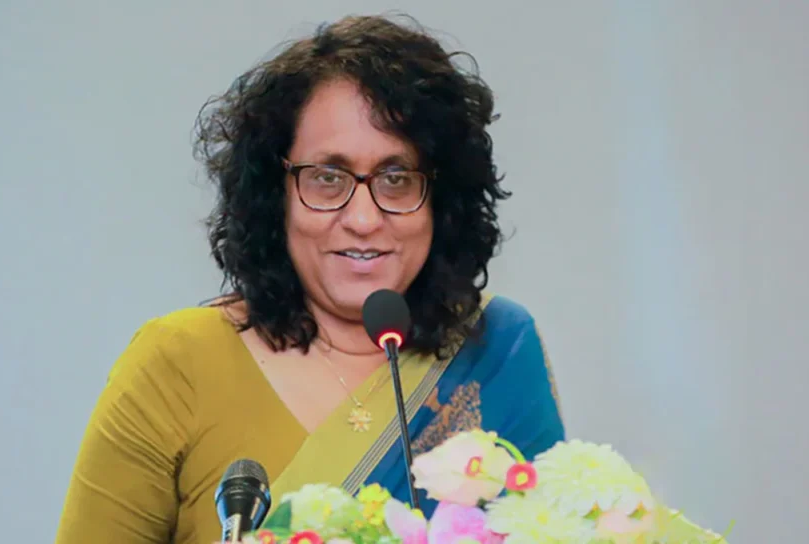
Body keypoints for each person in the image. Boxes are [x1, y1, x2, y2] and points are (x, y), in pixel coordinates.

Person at [54, 14, 565, 544]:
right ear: (274, 195)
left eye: (396, 178)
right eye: (327, 178)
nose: (363, 218)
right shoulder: (177, 365)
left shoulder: (496, 350)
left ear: (441, 199)